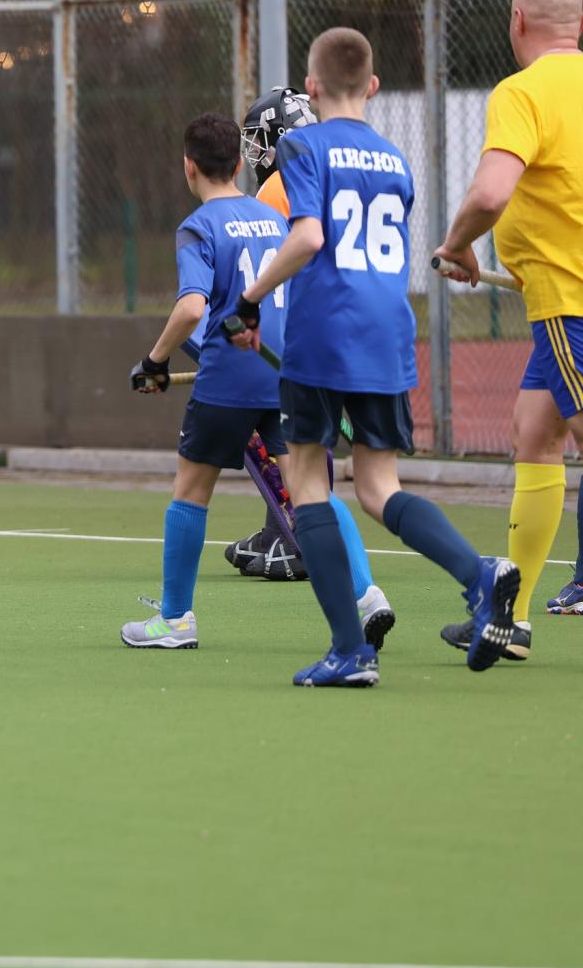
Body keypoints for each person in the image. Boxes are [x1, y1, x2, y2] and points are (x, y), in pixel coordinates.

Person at [229, 27, 517, 686]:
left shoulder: (302, 146)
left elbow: (309, 237)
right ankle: (479, 574)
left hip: (324, 332)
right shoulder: (394, 158)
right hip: (388, 331)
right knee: (381, 487)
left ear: (312, 87)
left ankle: (349, 651)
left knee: (309, 484)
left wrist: (249, 299)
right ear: (374, 86)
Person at [123, 114, 392, 650]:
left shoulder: (198, 227)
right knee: (311, 489)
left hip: (227, 379)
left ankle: (174, 620)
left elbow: (192, 308)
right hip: (284, 372)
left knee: (191, 491)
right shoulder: (273, 218)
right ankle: (367, 594)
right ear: (239, 164)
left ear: (189, 167)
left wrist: (154, 360)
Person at [433, 0, 583, 646]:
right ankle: (510, 617)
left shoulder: (522, 92)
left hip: (570, 301)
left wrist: (456, 243)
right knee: (534, 432)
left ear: (518, 22)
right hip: (557, 302)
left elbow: (492, 192)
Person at [223, 85, 384, 609]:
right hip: (363, 316)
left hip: (305, 322)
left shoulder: (277, 185)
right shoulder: (340, 164)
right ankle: (281, 528)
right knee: (308, 433)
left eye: (258, 138)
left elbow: (271, 264)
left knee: (266, 422)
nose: (255, 151)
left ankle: (296, 531)